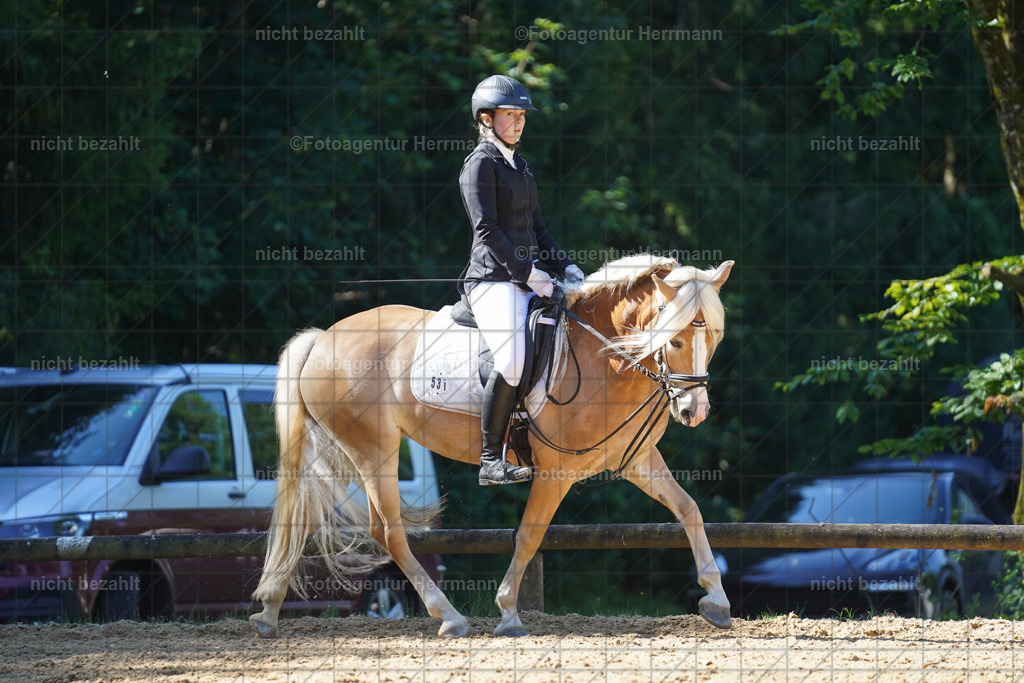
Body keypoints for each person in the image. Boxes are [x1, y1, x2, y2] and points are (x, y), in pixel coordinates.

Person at [457, 74, 585, 486]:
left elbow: (539, 230)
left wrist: (566, 267)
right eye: (510, 115)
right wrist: (528, 274)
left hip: (528, 278)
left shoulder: (520, 166)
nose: (518, 122)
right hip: (492, 281)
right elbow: (487, 231)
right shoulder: (480, 164)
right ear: (486, 118)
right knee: (511, 359)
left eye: (521, 116)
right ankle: (490, 460)